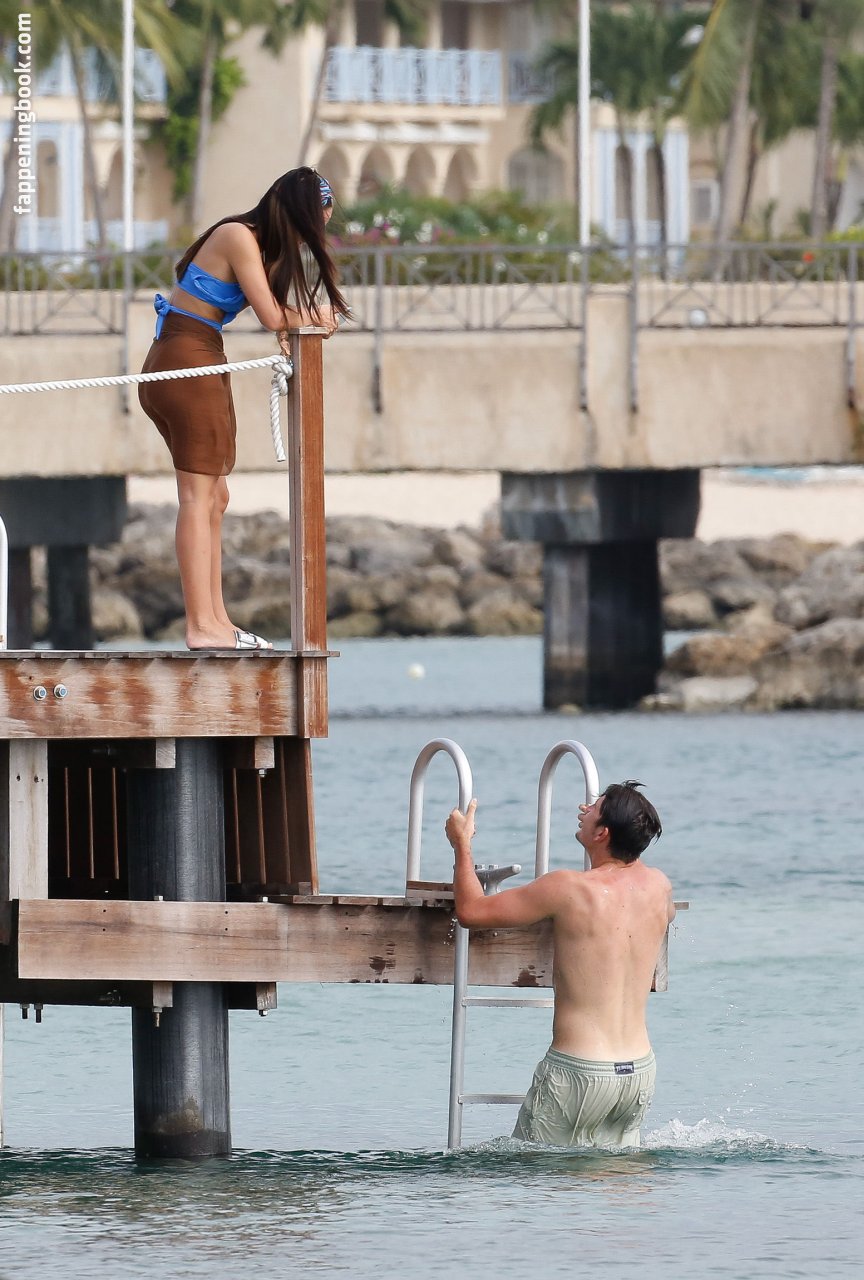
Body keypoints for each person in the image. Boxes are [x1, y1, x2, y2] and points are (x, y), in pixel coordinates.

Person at [139, 168, 350, 651]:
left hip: (201, 355)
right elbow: (274, 317)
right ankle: (201, 626)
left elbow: (276, 320)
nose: (310, 238)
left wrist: (300, 322)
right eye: (313, 225)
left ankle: (217, 620)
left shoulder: (264, 250)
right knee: (198, 497)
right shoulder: (238, 235)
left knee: (216, 497)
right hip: (185, 357)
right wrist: (318, 316)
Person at [445, 781, 674, 1149]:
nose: (584, 809)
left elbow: (471, 912)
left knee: (533, 1176)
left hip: (579, 1070)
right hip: (638, 1073)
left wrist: (462, 844)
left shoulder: (568, 888)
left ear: (602, 833)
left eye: (594, 807)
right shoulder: (659, 886)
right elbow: (659, 909)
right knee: (617, 1179)